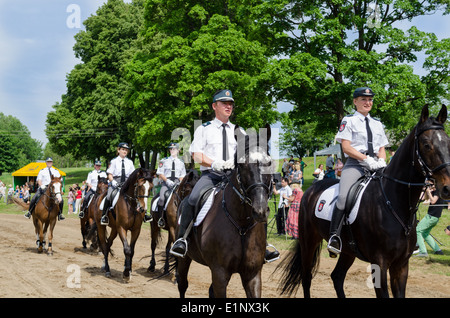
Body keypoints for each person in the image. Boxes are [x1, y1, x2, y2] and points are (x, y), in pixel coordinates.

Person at [170, 89, 279, 262]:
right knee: (192, 198)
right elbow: (196, 155)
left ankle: (263, 245)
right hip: (211, 176)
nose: (229, 106)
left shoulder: (240, 131)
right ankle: (182, 240)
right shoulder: (204, 129)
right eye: (224, 103)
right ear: (214, 106)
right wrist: (215, 163)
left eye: (231, 104)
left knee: (258, 200)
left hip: (235, 178)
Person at [327, 87, 389, 257]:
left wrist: (381, 160)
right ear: (355, 102)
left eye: (370, 100)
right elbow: (346, 147)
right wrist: (366, 159)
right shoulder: (349, 121)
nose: (367, 103)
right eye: (363, 99)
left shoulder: (377, 123)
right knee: (344, 196)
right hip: (355, 165)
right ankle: (334, 236)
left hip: (377, 165)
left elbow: (382, 148)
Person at [100, 142, 135, 225]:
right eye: (123, 149)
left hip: (127, 182)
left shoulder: (130, 162)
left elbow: (133, 175)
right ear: (118, 150)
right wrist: (113, 182)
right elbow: (109, 175)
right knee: (109, 196)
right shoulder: (114, 161)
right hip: (116, 181)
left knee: (137, 195)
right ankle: (104, 215)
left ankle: (143, 214)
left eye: (126, 150)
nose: (125, 151)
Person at [155, 142, 186, 226]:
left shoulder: (181, 162)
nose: (172, 150)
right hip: (166, 183)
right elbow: (160, 173)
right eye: (171, 149)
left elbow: (183, 175)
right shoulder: (163, 161)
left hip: (177, 183)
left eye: (174, 149)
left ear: (178, 150)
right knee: (161, 198)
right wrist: (167, 181)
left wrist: (179, 181)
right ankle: (161, 218)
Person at [414, 183, 445, 257]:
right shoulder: (434, 191)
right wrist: (425, 191)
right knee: (425, 233)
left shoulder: (438, 191)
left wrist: (428, 191)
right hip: (433, 217)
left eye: (429, 184)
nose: (429, 185)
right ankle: (438, 250)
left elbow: (433, 201)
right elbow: (424, 199)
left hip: (432, 216)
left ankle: (423, 252)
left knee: (418, 230)